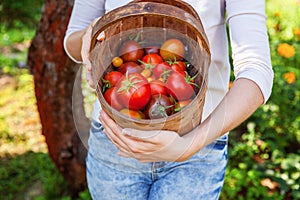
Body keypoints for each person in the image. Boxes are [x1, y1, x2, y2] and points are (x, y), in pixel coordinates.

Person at [64, 0, 274, 199]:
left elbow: (256, 71)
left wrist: (190, 145)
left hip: (198, 144)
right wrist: (88, 35)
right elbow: (71, 41)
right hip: (115, 142)